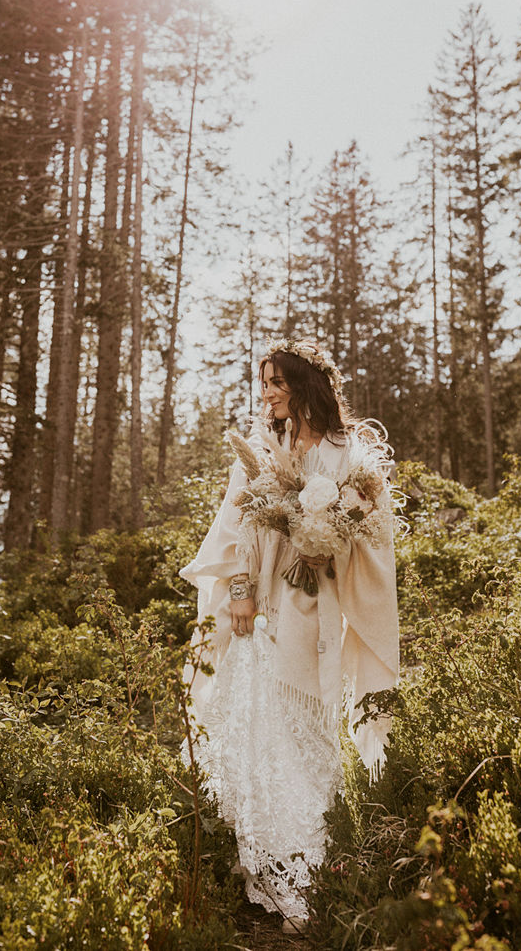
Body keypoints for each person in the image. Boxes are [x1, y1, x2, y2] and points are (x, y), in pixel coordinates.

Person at [179, 338, 399, 934]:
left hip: (319, 603)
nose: (269, 392)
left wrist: (330, 536)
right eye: (265, 382)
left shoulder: (345, 450)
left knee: (311, 728)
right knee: (266, 725)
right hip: (266, 603)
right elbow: (239, 521)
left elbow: (371, 525)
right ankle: (272, 870)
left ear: (307, 387)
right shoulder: (259, 448)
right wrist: (243, 590)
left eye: (278, 382)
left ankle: (314, 861)